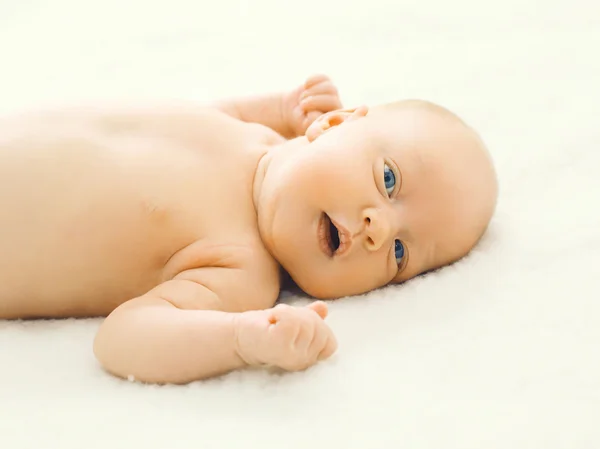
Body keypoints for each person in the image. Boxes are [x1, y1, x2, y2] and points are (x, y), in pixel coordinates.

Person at [0, 74, 497, 383]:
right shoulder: (246, 133)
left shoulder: (241, 271)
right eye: (388, 180)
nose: (379, 229)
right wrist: (282, 106)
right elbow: (203, 115)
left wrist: (239, 339)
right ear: (333, 124)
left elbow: (123, 338)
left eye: (400, 256)